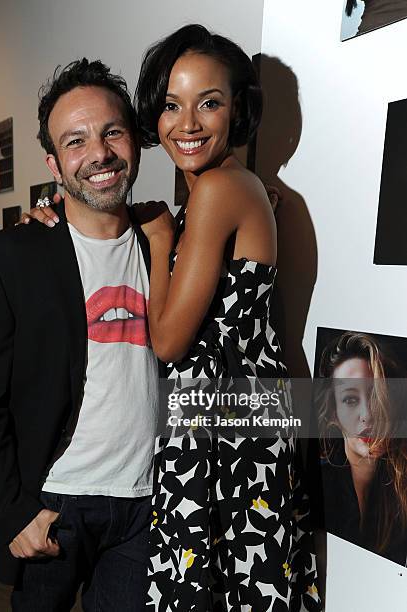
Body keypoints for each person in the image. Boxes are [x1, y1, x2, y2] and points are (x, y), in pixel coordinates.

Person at [25, 23, 321, 612]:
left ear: (238, 108)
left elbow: (166, 342)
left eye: (209, 102)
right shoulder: (226, 190)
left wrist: (161, 240)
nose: (187, 124)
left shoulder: (217, 192)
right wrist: (52, 212)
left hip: (229, 440)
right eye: (169, 105)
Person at [0, 59, 160, 611]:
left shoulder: (165, 243)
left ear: (135, 141)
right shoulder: (11, 257)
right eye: (76, 141)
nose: (98, 153)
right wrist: (13, 512)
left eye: (111, 131)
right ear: (54, 162)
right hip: (53, 508)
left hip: (145, 506)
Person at [318, 331, 407, 566]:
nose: (367, 417)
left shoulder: (400, 490)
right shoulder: (321, 485)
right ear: (334, 414)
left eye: (376, 395)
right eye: (350, 400)